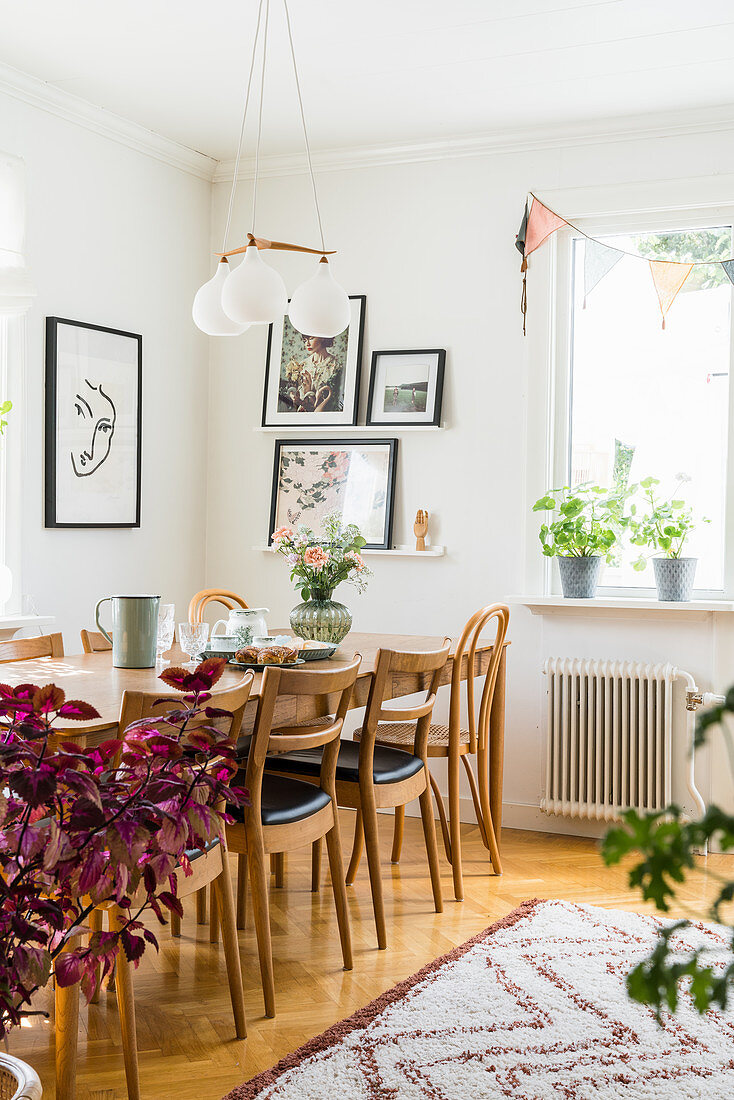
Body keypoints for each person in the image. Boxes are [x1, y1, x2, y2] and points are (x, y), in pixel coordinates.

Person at [279, 334, 343, 413]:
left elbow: (334, 405)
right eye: (305, 340)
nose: (307, 344)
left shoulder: (336, 366)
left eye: (311, 339)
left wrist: (309, 391)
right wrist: (295, 399)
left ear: (322, 338)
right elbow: (298, 403)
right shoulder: (302, 365)